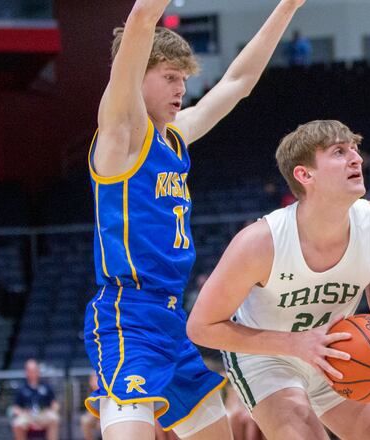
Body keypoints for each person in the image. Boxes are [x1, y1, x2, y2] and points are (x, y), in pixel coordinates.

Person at [83, 1, 305, 439]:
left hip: (172, 320)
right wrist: (141, 28)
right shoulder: (120, 137)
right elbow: (143, 18)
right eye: (169, 77)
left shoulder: (176, 136)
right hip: (128, 317)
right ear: (134, 77)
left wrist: (287, 6)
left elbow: (238, 82)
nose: (180, 89)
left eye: (183, 80)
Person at [186, 120, 370, 440]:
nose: (357, 159)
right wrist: (296, 344)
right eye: (339, 152)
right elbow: (201, 326)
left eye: (354, 149)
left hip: (338, 351)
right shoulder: (259, 243)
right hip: (267, 360)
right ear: (304, 174)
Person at [11, 359, 60, 440]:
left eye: (34, 370)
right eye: (30, 370)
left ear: (38, 371)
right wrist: (23, 414)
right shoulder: (21, 388)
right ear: (26, 372)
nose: (32, 373)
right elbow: (15, 408)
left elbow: (55, 404)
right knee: (17, 424)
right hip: (27, 415)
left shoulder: (46, 386)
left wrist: (52, 410)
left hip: (43, 414)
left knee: (54, 418)